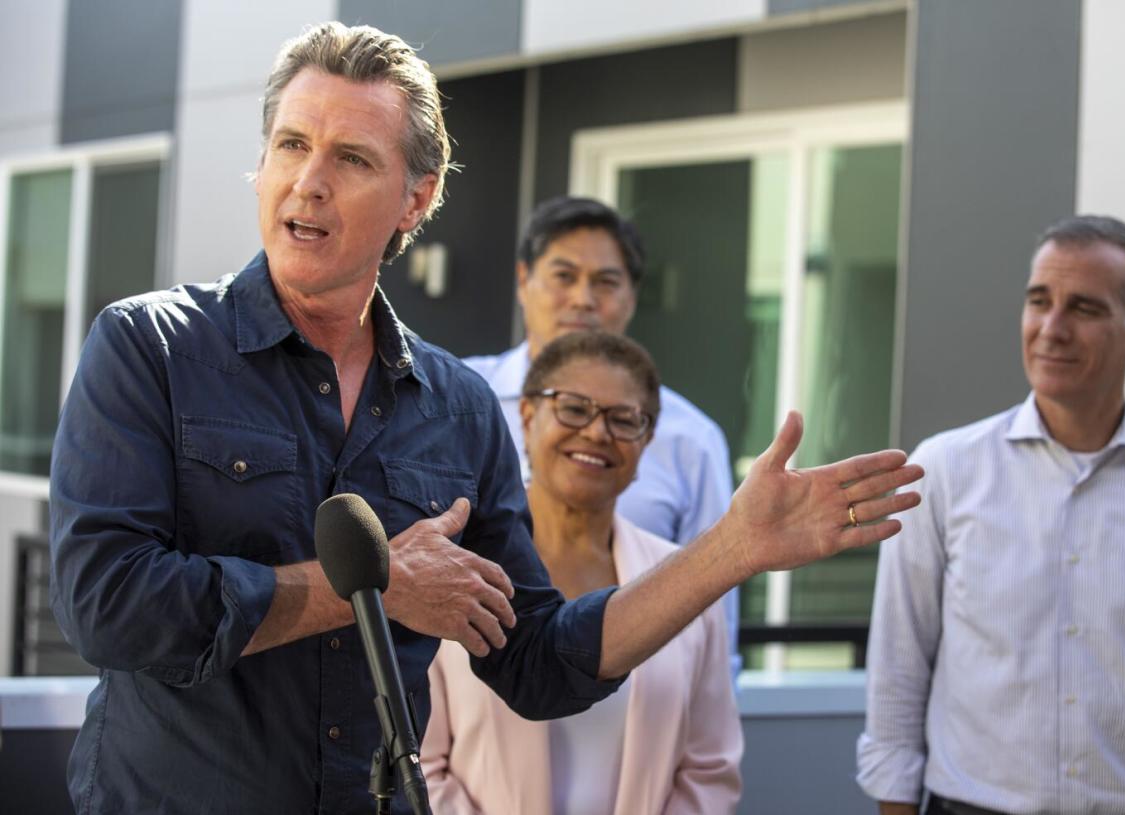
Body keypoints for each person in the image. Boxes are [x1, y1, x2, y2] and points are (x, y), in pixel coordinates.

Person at [48, 21, 921, 814]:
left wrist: (733, 549)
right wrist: (371, 585)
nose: (308, 182)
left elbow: (536, 657)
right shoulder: (148, 347)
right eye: (291, 144)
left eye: (351, 158)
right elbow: (106, 605)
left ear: (416, 201)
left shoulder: (458, 406)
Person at [857, 215, 1125, 815]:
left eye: (1085, 309)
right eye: (1039, 301)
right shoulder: (944, 472)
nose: (1051, 330)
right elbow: (897, 670)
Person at [424, 331, 742, 814]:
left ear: (647, 440)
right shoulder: (454, 565)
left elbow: (709, 769)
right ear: (527, 418)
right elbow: (422, 764)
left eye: (623, 419)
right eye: (573, 408)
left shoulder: (688, 577)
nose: (597, 432)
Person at [465, 196, 741, 674]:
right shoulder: (459, 403)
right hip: (473, 694)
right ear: (523, 281)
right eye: (564, 276)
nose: (583, 299)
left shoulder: (690, 439)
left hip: (644, 697)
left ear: (632, 297)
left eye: (606, 282)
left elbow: (713, 610)